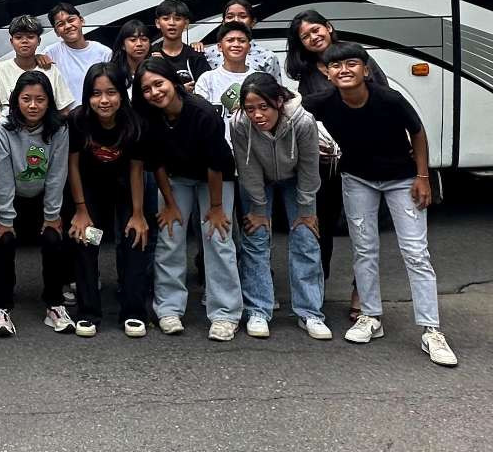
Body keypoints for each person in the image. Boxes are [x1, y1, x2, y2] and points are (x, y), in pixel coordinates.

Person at [303, 42, 458, 367]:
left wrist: (423, 177)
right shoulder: (324, 101)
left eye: (351, 64)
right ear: (328, 74)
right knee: (363, 248)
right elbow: (288, 107)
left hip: (402, 179)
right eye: (336, 66)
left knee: (416, 252)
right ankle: (371, 317)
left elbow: (417, 132)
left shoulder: (389, 99)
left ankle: (432, 330)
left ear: (366, 69)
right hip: (357, 179)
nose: (343, 70)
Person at [285, 9, 389, 317]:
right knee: (323, 227)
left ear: (329, 27)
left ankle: (361, 294)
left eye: (316, 29)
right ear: (301, 44)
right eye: (305, 35)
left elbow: (383, 96)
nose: (313, 37)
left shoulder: (356, 58)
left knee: (363, 229)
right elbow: (309, 118)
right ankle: (317, 290)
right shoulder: (307, 76)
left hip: (366, 158)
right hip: (326, 164)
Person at [133, 57, 242, 341]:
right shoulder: (148, 117)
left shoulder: (203, 113)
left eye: (159, 84)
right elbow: (155, 163)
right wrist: (169, 204)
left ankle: (225, 314)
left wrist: (216, 209)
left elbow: (216, 164)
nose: (155, 92)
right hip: (175, 178)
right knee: (170, 236)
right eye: (147, 89)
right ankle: (168, 308)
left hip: (214, 179)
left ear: (174, 81)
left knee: (217, 237)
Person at [231, 73, 331, 341]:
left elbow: (310, 165)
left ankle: (310, 312)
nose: (257, 115)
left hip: (296, 176)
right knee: (255, 236)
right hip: (258, 178)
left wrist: (307, 210)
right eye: (250, 108)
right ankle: (258, 310)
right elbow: (247, 166)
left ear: (278, 101)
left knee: (306, 238)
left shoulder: (302, 120)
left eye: (263, 107)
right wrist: (259, 211)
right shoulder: (239, 123)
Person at [66, 63, 155, 338]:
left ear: (122, 94)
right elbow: (73, 167)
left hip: (125, 192)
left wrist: (138, 214)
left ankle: (134, 311)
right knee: (87, 242)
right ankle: (89, 312)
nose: (104, 100)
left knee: (134, 240)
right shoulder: (78, 121)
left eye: (111, 92)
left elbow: (136, 170)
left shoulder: (135, 122)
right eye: (96, 94)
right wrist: (81, 211)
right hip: (90, 194)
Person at [0, 72, 71, 335]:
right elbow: (3, 175)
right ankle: (2, 306)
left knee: (52, 239)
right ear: (16, 101)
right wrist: (5, 218)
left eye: (40, 99)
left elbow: (58, 174)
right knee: (4, 241)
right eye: (26, 99)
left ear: (49, 101)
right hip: (10, 193)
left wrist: (52, 215)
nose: (33, 105)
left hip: (43, 195)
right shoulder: (2, 129)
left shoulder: (59, 128)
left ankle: (54, 304)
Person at [0, 14, 76, 123]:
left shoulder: (51, 70)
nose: (24, 41)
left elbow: (63, 110)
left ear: (39, 41)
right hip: (9, 134)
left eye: (30, 37)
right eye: (18, 37)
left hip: (46, 134)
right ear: (11, 41)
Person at [194, 21, 256, 145]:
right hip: (217, 150)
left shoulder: (259, 79)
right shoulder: (207, 79)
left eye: (241, 41)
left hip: (253, 151)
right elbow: (198, 119)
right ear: (219, 47)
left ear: (249, 47)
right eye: (230, 40)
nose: (236, 44)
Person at [42, 2, 112, 99]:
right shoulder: (50, 53)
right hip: (66, 113)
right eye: (60, 24)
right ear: (56, 32)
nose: (67, 26)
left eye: (71, 20)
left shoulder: (103, 52)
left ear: (82, 21)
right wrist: (37, 58)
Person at [200, 0, 281, 80]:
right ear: (223, 22)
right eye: (230, 17)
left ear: (253, 22)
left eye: (243, 16)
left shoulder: (268, 57)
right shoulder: (208, 54)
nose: (236, 20)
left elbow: (275, 90)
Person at [150, 0, 211, 91]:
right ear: (158, 23)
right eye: (166, 19)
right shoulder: (151, 54)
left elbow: (208, 88)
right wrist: (180, 89)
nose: (171, 23)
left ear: (186, 23)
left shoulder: (195, 55)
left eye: (177, 19)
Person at [110, 19, 151, 88]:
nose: (139, 44)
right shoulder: (113, 74)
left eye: (144, 39)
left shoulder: (157, 69)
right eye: (133, 40)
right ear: (123, 45)